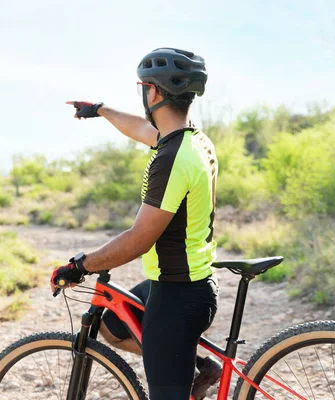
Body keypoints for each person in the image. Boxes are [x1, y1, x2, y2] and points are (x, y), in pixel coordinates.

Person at [50, 48, 221, 399]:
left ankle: (181, 365)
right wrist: (100, 110)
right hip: (178, 283)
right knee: (113, 323)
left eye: (143, 86)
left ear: (153, 92)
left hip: (179, 296)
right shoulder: (190, 140)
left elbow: (139, 239)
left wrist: (80, 265)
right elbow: (142, 127)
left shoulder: (173, 158)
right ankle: (192, 365)